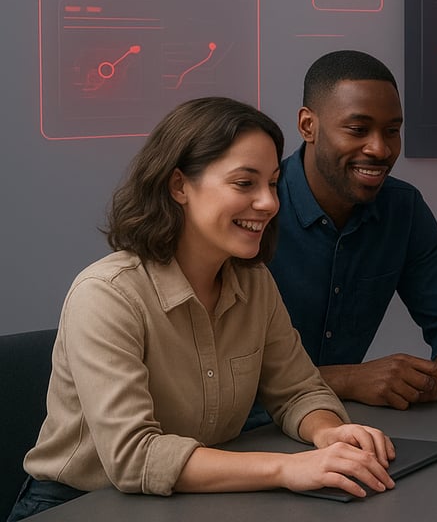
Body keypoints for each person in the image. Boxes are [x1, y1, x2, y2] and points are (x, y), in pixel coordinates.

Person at [9, 98, 396, 521]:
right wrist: (289, 467)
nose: (268, 202)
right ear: (179, 186)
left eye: (272, 183)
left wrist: (330, 433)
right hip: (77, 505)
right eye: (245, 183)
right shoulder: (105, 294)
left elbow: (298, 391)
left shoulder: (255, 282)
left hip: (195, 499)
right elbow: (133, 457)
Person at [268, 50, 437, 412]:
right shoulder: (254, 210)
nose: (381, 148)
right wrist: (347, 379)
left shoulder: (401, 209)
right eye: (358, 130)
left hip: (343, 433)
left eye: (392, 131)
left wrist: (435, 379)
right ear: (308, 126)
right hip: (241, 438)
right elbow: (216, 374)